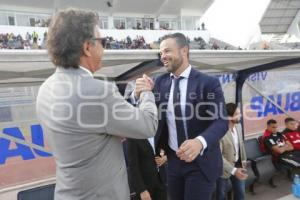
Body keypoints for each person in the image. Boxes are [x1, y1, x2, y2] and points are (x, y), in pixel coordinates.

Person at [36, 8, 158, 200]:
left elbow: (85, 132)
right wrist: (146, 93)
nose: (104, 48)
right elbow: (148, 125)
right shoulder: (98, 91)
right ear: (87, 47)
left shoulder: (46, 88)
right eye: (102, 42)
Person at [133, 33, 228, 200]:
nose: (163, 56)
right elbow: (146, 113)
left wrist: (200, 142)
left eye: (167, 51)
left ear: (184, 51)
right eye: (161, 53)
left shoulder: (208, 83)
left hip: (201, 163)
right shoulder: (160, 83)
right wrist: (137, 95)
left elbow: (221, 122)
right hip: (173, 162)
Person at [216, 103, 247, 200]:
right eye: (237, 114)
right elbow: (218, 156)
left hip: (238, 164)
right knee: (221, 195)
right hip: (223, 169)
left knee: (241, 193)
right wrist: (233, 170)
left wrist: (244, 160)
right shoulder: (219, 132)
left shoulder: (238, 126)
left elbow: (241, 144)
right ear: (229, 117)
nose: (240, 115)